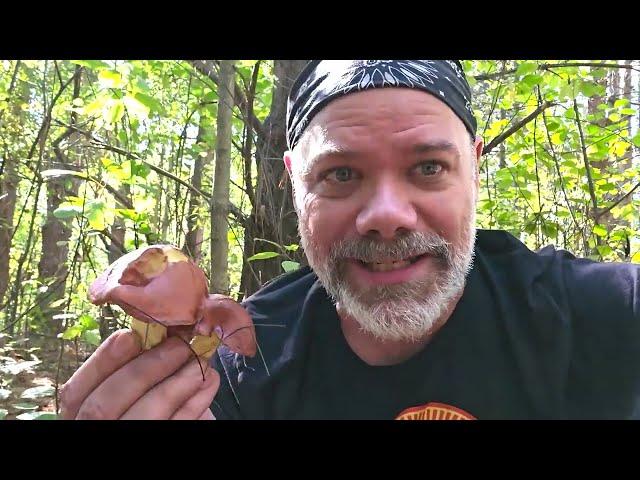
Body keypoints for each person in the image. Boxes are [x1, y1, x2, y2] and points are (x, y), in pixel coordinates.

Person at [59, 60, 640, 420]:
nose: (386, 217)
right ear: (295, 185)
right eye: (341, 174)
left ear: (474, 169)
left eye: (429, 167)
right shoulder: (234, 368)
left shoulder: (605, 312)